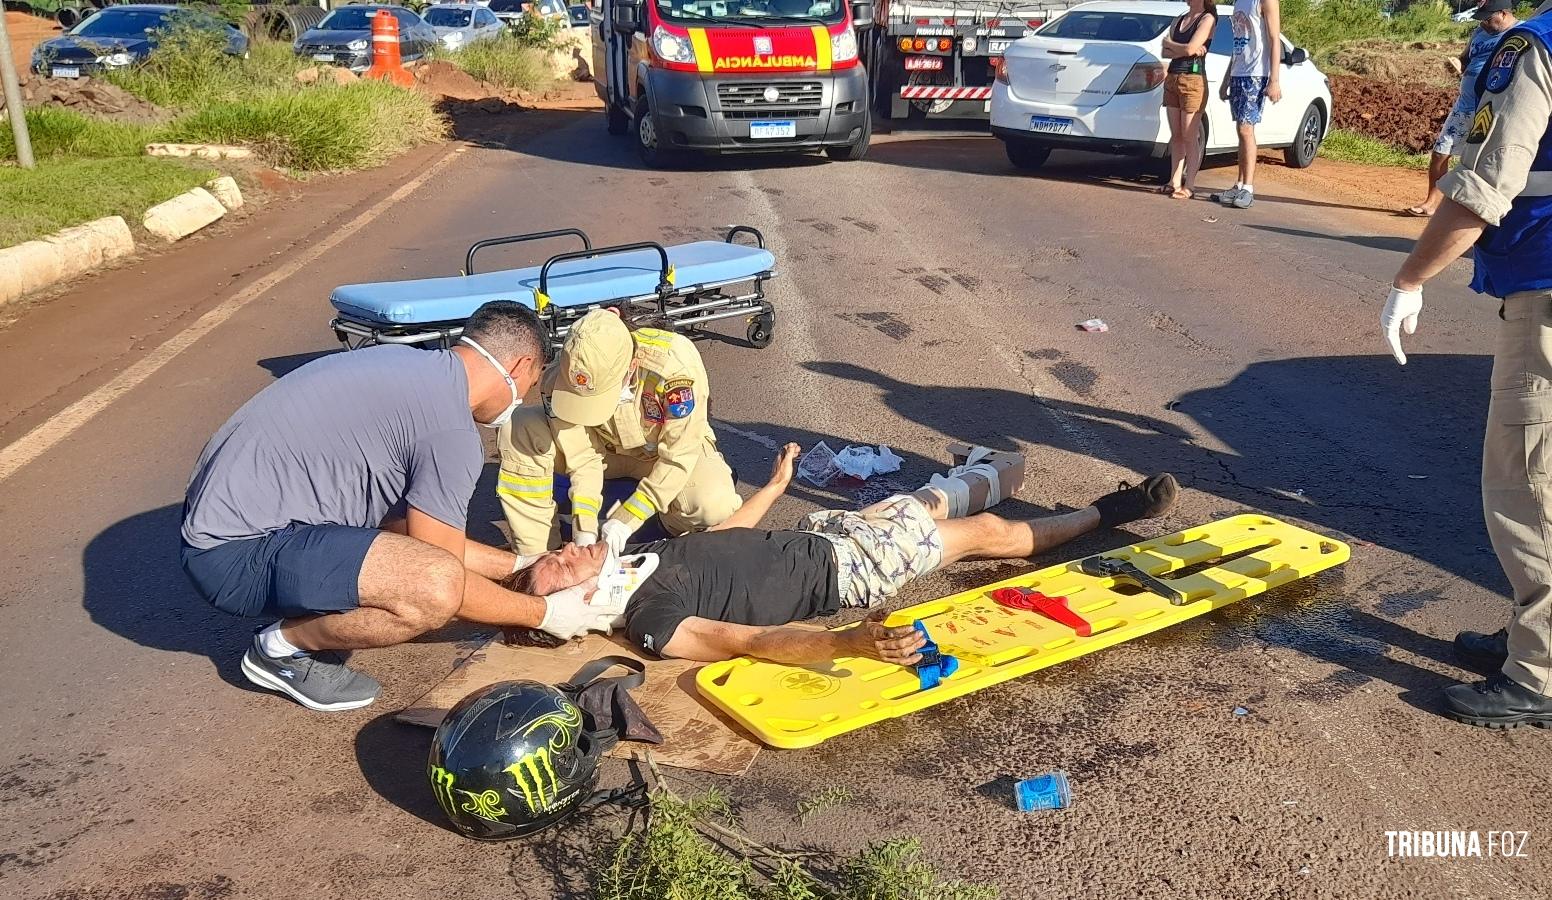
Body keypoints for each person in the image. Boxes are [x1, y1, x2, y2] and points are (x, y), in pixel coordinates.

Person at [180, 301, 602, 712]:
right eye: (528, 387)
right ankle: (278, 650)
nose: (521, 399)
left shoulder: (407, 368)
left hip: (225, 523)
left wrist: (520, 564)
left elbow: (414, 531)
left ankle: (295, 619)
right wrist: (543, 613)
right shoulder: (450, 430)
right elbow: (442, 569)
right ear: (518, 368)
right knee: (435, 589)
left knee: (409, 528)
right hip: (235, 558)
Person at [509, 443, 1181, 665]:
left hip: (828, 531)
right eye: (563, 564)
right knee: (987, 536)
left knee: (940, 511)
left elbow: (719, 542)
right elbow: (741, 640)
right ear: (581, 601)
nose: (569, 548)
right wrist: (844, 646)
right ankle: (1110, 511)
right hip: (848, 568)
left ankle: (983, 478)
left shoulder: (640, 561)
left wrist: (772, 488)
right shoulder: (651, 615)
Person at [1382, 0, 1552, 728]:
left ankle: (1539, 670)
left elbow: (1484, 186)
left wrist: (1408, 281)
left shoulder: (1535, 47)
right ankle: (1532, 633)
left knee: (1529, 480)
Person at [498, 309, 742, 557]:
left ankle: (658, 531)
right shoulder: (562, 377)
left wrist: (627, 521)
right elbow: (583, 458)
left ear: (632, 367)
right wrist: (585, 529)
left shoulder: (675, 366)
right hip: (606, 455)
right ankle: (536, 556)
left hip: (660, 456)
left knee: (714, 503)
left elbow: (678, 456)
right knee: (519, 427)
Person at [1403, 0, 1519, 218]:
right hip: (1465, 106)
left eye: (1487, 17)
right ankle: (1431, 203)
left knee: (1486, 162)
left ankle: (1484, 212)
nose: (1483, 23)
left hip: (1493, 109)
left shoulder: (1519, 34)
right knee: (1441, 152)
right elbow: (1466, 58)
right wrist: (1458, 64)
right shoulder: (1479, 32)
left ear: (1503, 13)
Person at [1213, 0, 1281, 210]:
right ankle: (1239, 183)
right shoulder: (1239, 2)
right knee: (1240, 130)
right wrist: (1227, 79)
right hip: (1238, 72)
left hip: (1256, 73)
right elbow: (1238, 42)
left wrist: (1274, 80)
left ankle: (1248, 188)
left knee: (1246, 128)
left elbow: (1274, 38)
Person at [1160, 0, 1218, 200]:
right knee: (1176, 134)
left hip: (1193, 81)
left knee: (1189, 135)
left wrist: (1181, 48)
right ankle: (1173, 181)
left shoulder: (1207, 19)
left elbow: (1190, 49)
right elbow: (1165, 50)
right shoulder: (1179, 19)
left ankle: (1190, 184)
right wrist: (1183, 48)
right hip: (1173, 78)